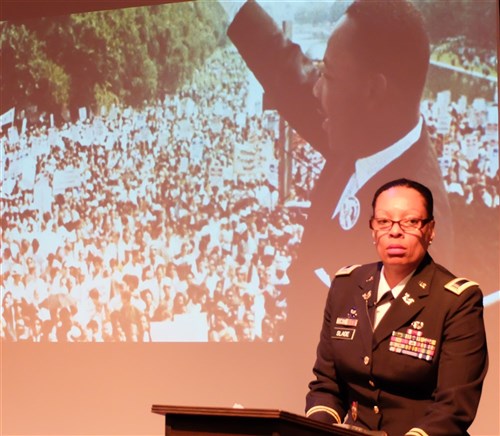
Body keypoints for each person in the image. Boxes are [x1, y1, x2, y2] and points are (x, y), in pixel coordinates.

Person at [227, 0, 454, 335]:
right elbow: (291, 78)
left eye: (328, 75)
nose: (317, 90)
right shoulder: (366, 131)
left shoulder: (416, 240)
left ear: (373, 90)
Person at [305, 178, 488, 435]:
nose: (395, 231)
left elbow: (453, 406)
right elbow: (327, 385)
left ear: (431, 229)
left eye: (410, 222)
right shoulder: (346, 287)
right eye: (383, 222)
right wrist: (318, 430)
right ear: (372, 229)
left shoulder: (456, 300)